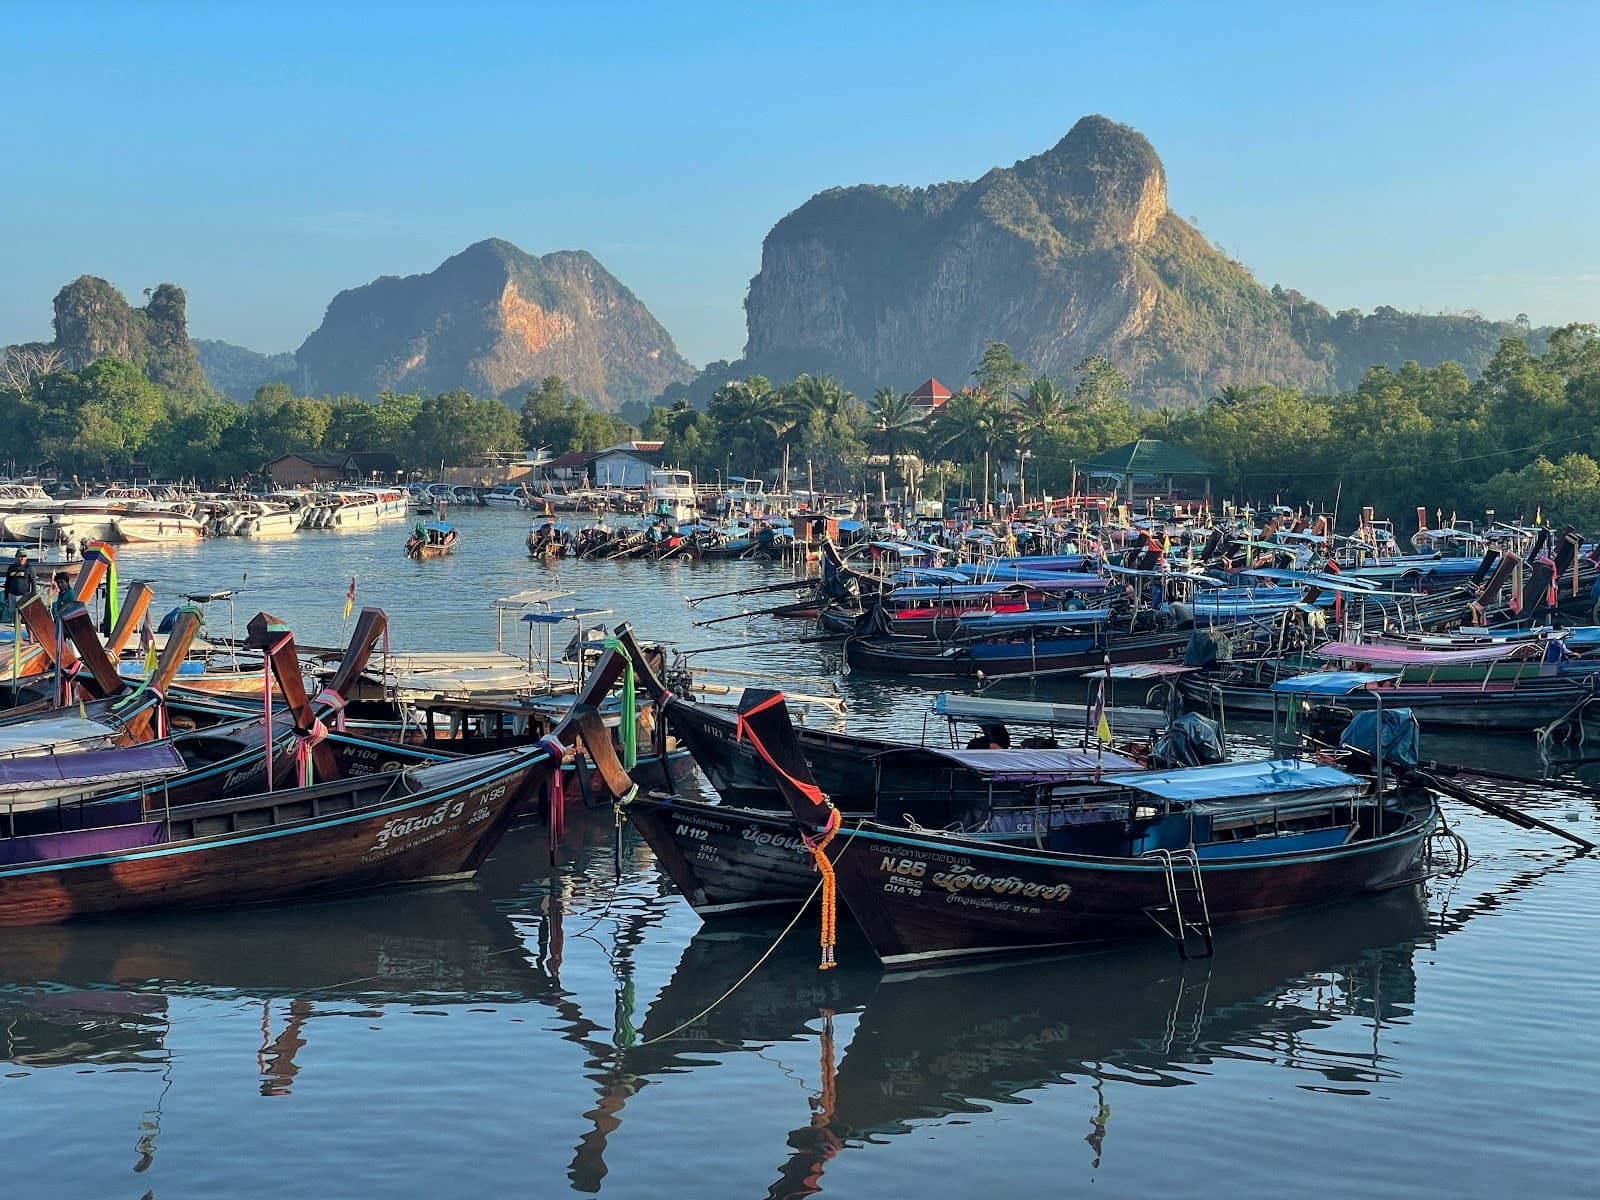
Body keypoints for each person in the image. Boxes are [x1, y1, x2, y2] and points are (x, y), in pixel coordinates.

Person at [3, 549, 37, 620]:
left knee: (24, 616)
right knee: (14, 614)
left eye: (24, 556)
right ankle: (16, 629)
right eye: (20, 556)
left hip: (23, 596)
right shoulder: (11, 567)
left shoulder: (29, 568)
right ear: (16, 556)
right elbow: (7, 582)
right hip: (11, 595)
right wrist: (6, 597)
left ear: (26, 558)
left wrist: (32, 597)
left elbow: (33, 583)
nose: (22, 558)